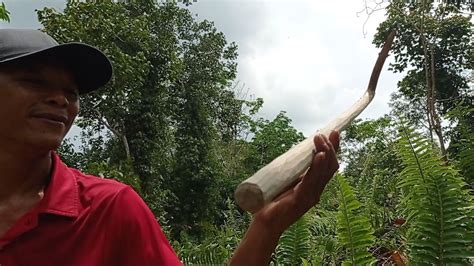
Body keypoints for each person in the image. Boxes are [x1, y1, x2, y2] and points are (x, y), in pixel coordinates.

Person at [0, 29, 340, 266]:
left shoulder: (109, 209)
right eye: (33, 81)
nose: (61, 99)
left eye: (72, 93)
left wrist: (267, 226)